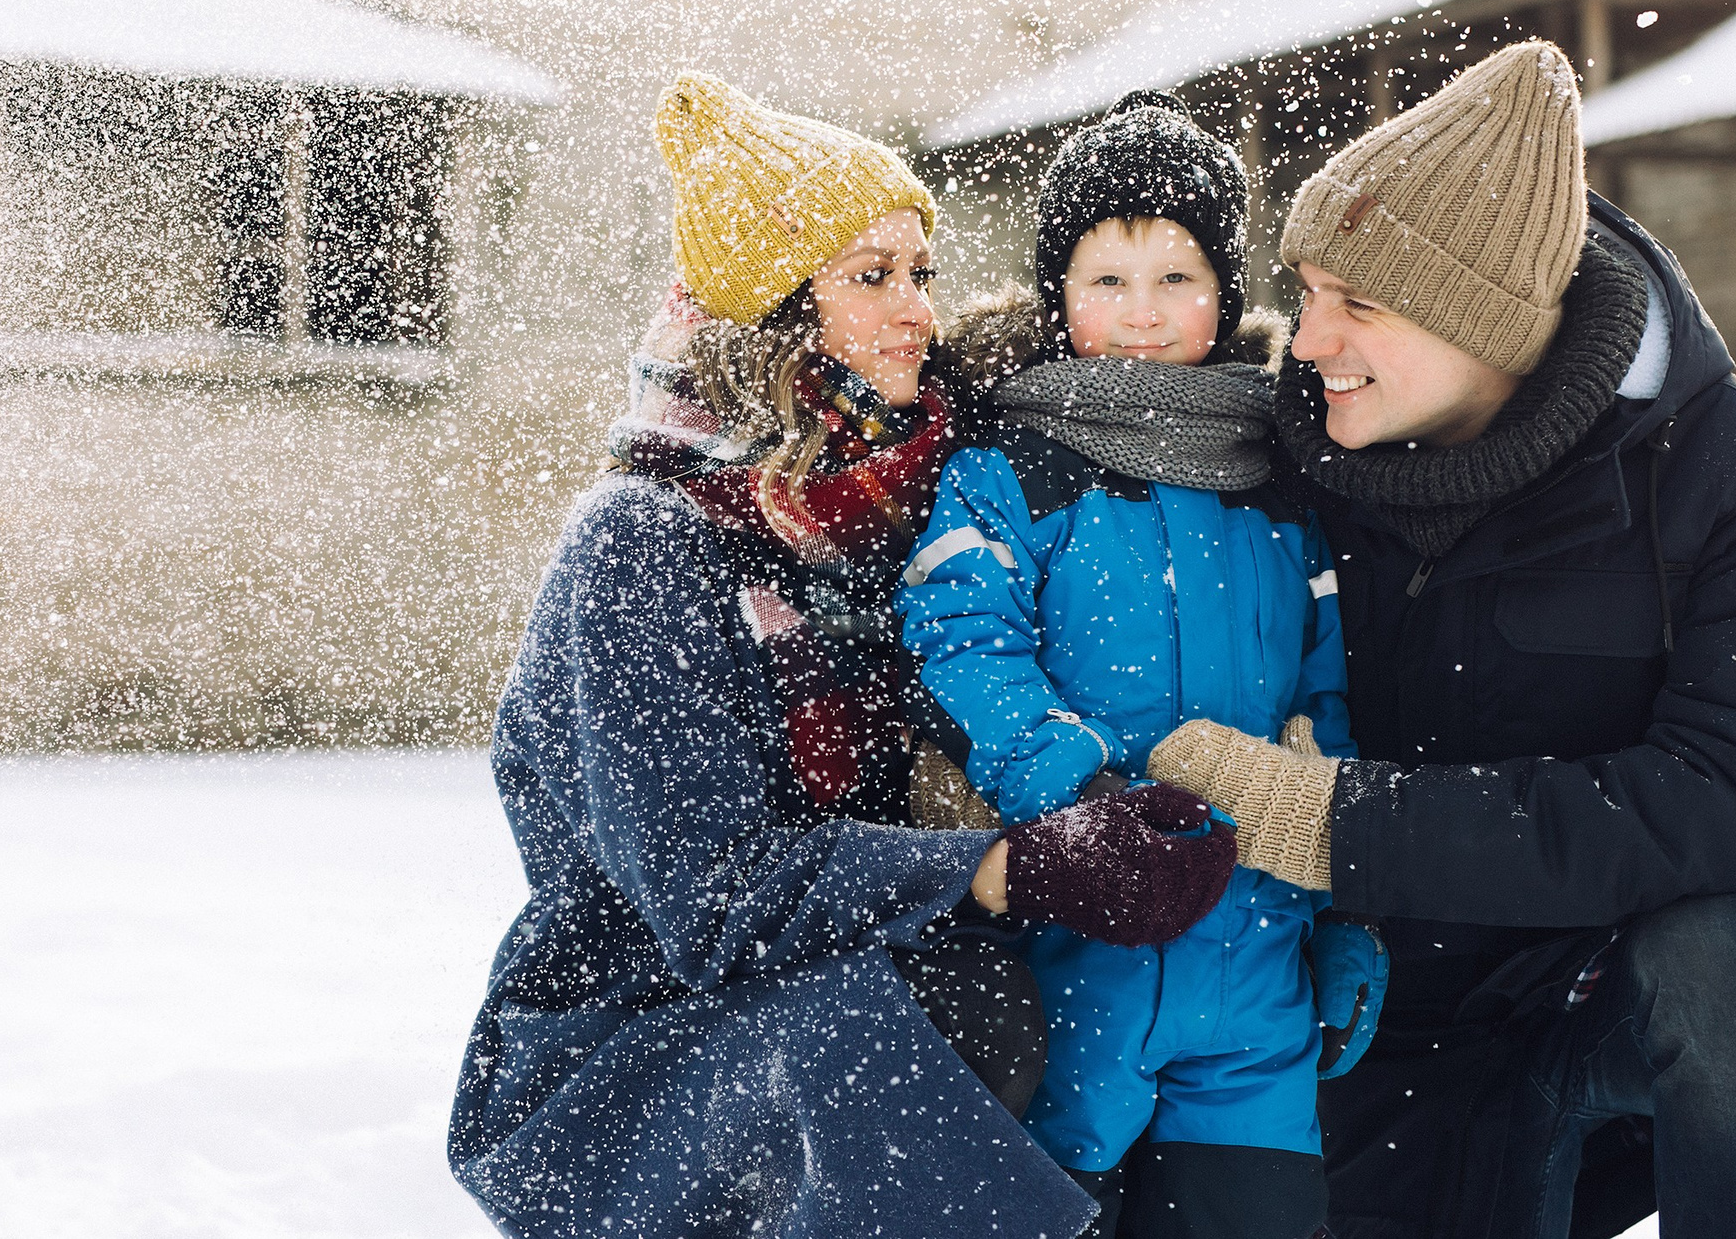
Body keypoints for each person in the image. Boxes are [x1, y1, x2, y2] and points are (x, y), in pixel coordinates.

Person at [448, 72, 1239, 1239]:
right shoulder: (642, 544)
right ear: (771, 316)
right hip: (624, 1056)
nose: (916, 308)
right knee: (946, 1010)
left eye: (919, 272)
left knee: (1054, 1013)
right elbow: (712, 905)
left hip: (799, 1002)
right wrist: (999, 869)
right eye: (869, 278)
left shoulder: (879, 512)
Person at [1145, 41, 1736, 1239]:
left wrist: (1335, 821)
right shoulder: (1275, 456)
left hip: (1600, 987)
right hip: (1366, 1020)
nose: (1305, 341)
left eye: (1356, 304)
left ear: (1490, 326)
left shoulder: (1734, 469)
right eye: (1307, 290)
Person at [898, 98, 1387, 1239]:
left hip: (1257, 977)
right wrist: (1067, 790)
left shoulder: (1280, 476)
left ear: (1225, 293)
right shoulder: (1007, 466)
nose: (1141, 315)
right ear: (1056, 293)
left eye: (1176, 278)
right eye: (1104, 280)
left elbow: (1332, 701)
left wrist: (1350, 905)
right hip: (1072, 957)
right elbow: (964, 638)